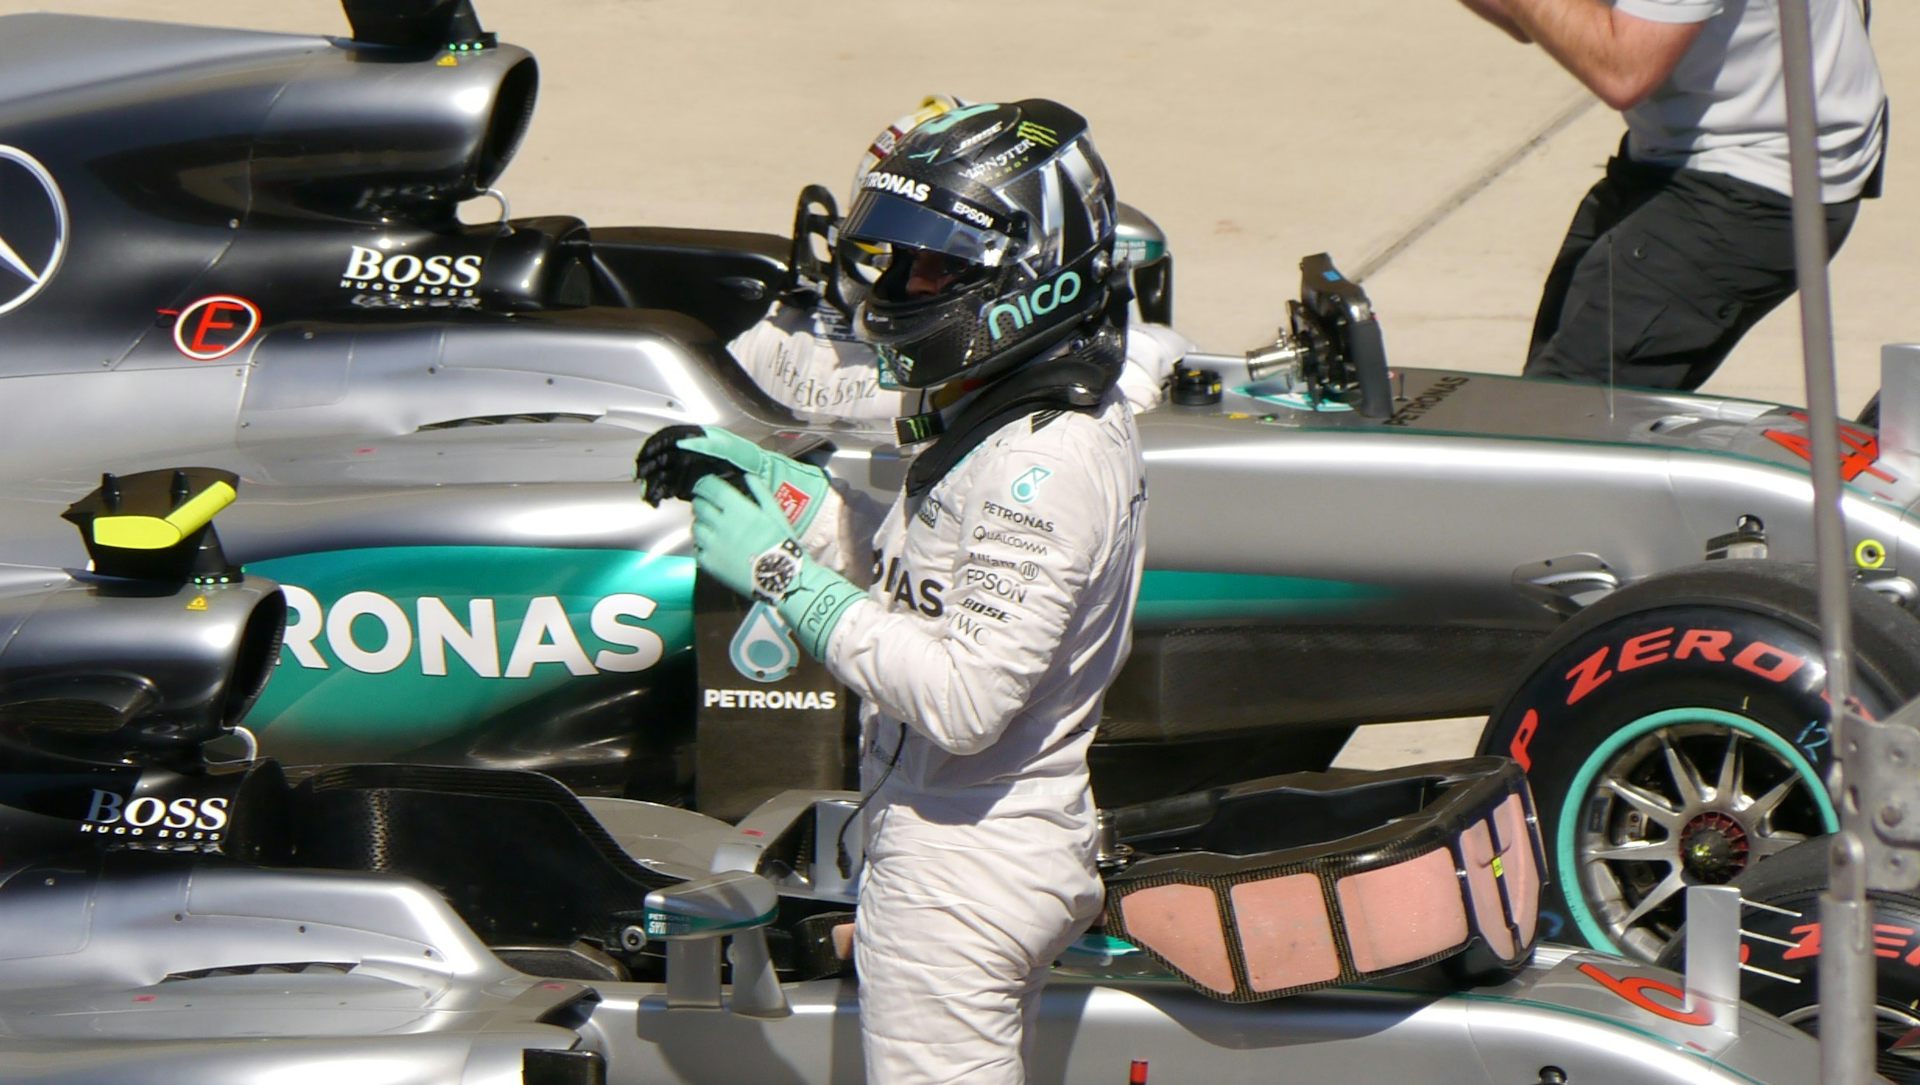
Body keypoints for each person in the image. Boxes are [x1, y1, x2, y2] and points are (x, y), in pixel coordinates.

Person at [639, 99, 1146, 1084]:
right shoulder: (1028, 412)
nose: (902, 287)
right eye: (902, 260)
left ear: (1026, 273)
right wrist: (786, 493)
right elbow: (929, 574)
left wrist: (780, 576)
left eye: (933, 268)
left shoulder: (1041, 463)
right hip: (987, 839)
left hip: (962, 868)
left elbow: (964, 700)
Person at [1458, 0, 1886, 390]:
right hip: (1673, 157)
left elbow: (1624, 70)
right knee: (1546, 399)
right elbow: (1537, 21)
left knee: (1568, 409)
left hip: (1755, 179)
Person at [729, 95, 1191, 424]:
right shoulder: (783, 342)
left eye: (948, 262)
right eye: (900, 258)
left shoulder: (1095, 382)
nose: (914, 283)